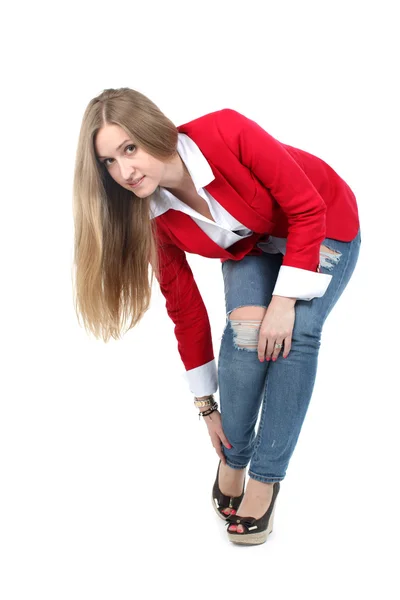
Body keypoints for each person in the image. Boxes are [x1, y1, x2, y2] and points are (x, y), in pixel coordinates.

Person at [72, 87, 361, 546]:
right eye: (108, 161)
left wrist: (284, 302)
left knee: (297, 336)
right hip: (255, 242)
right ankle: (233, 458)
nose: (124, 171)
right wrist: (205, 405)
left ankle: (265, 479)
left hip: (322, 220)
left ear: (154, 129)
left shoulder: (225, 131)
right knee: (246, 334)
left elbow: (306, 208)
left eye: (129, 148)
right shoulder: (150, 214)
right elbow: (184, 308)